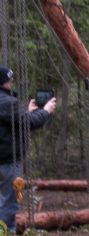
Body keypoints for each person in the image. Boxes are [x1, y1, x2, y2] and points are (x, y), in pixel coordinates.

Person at [0, 65, 56, 234]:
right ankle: (6, 232)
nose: (11, 83)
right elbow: (28, 123)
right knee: (9, 202)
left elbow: (13, 122)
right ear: (4, 82)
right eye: (9, 80)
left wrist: (26, 111)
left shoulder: (6, 102)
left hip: (5, 160)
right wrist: (45, 112)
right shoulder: (6, 102)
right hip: (9, 161)